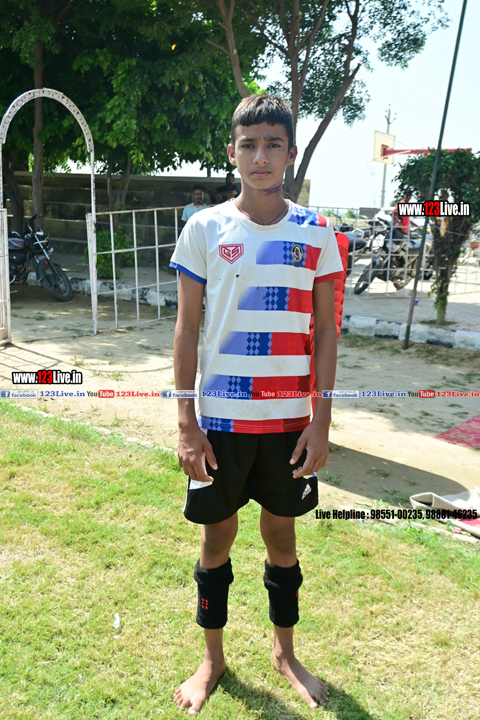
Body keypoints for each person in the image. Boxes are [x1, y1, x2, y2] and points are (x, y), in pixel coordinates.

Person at [170, 94, 344, 716]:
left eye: (273, 144)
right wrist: (186, 423)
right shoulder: (205, 228)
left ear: (290, 153)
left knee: (282, 538)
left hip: (290, 425)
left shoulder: (317, 232)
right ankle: (212, 659)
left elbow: (326, 334)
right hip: (220, 423)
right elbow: (187, 330)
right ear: (232, 153)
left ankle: (284, 652)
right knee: (216, 539)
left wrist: (321, 421)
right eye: (249, 145)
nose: (261, 156)